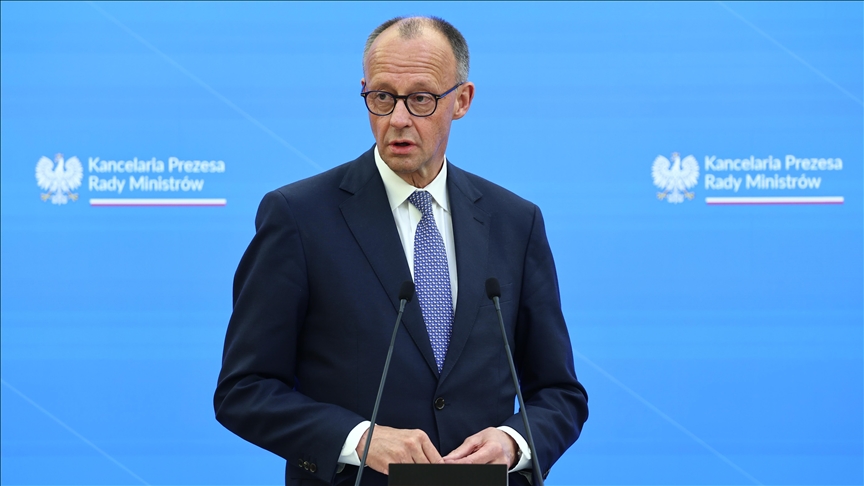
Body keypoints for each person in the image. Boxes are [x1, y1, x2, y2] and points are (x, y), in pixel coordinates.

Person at [214, 16, 588, 486]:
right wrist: (358, 439)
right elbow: (244, 389)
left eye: (421, 99)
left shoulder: (515, 222)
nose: (397, 119)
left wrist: (515, 442)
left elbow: (559, 392)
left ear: (462, 101)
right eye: (382, 97)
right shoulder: (298, 217)